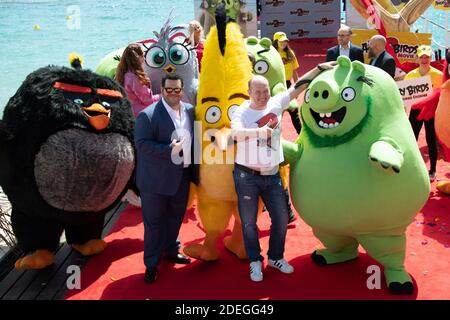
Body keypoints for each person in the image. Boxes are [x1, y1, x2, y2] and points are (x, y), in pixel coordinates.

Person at [231, 62, 336, 282]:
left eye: (265, 91)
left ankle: (275, 257)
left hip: (272, 175)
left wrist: (318, 69)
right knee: (249, 222)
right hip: (247, 176)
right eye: (257, 92)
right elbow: (235, 134)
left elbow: (297, 86)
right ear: (249, 93)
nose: (262, 95)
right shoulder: (242, 110)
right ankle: (254, 261)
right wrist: (260, 131)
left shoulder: (276, 103)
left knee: (280, 219)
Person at [134, 74, 199, 284]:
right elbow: (142, 144)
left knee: (175, 218)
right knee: (154, 224)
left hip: (182, 177)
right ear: (162, 90)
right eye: (169, 89)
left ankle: (171, 250)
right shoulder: (148, 115)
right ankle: (151, 264)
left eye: (177, 89)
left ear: (182, 90)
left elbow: (196, 141)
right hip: (155, 182)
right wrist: (167, 150)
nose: (173, 93)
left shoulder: (190, 110)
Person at [405, 45, 443, 182]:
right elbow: (405, 97)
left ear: (431, 58)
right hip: (416, 110)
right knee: (411, 140)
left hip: (432, 112)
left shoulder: (438, 75)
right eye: (421, 57)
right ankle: (410, 167)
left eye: (426, 57)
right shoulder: (410, 75)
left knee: (431, 141)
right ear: (417, 58)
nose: (424, 59)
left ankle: (432, 170)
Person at [115, 43, 160, 118]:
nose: (144, 58)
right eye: (143, 56)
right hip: (141, 114)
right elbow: (148, 100)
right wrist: (162, 96)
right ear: (138, 57)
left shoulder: (122, 73)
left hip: (128, 112)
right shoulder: (135, 78)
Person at [272, 31, 302, 134]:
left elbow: (294, 71)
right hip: (275, 85)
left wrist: (298, 86)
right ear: (275, 42)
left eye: (285, 41)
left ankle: (301, 134)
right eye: (281, 42)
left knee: (293, 111)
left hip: (288, 85)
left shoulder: (290, 53)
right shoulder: (272, 54)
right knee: (276, 112)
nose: (284, 43)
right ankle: (272, 136)